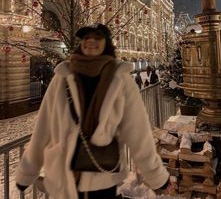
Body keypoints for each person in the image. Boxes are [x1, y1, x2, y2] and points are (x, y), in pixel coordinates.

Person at [15, 23, 171, 199]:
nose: (91, 41)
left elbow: (138, 132)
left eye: (97, 38)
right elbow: (43, 128)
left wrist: (155, 175)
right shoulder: (63, 76)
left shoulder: (120, 80)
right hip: (63, 175)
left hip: (101, 177)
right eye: (86, 38)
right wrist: (28, 171)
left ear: (107, 43)